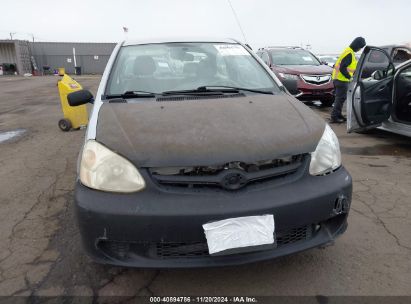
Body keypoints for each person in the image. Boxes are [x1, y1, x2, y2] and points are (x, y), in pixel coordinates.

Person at [330, 37, 366, 123]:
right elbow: (343, 68)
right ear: (357, 45)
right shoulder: (349, 53)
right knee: (340, 98)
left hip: (337, 78)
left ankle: (338, 114)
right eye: (360, 47)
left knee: (340, 98)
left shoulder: (348, 51)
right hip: (341, 80)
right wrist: (349, 78)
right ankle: (335, 116)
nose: (360, 49)